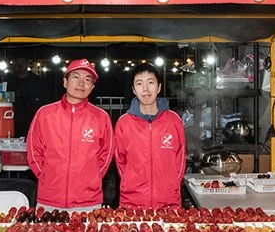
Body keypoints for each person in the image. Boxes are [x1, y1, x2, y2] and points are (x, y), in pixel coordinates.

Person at [27, 58, 113, 211]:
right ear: (65, 82)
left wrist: (92, 178)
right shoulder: (45, 114)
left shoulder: (101, 117)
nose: (81, 83)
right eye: (75, 77)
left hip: (88, 201)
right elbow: (34, 151)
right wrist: (46, 176)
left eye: (87, 80)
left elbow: (106, 154)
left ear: (92, 87)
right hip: (49, 200)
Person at [114, 63, 185, 208]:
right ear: (134, 90)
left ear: (159, 87)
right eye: (139, 84)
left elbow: (180, 159)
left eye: (150, 82)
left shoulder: (173, 120)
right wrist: (131, 186)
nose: (145, 89)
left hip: (169, 203)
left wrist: (171, 187)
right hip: (132, 204)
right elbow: (121, 162)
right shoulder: (124, 123)